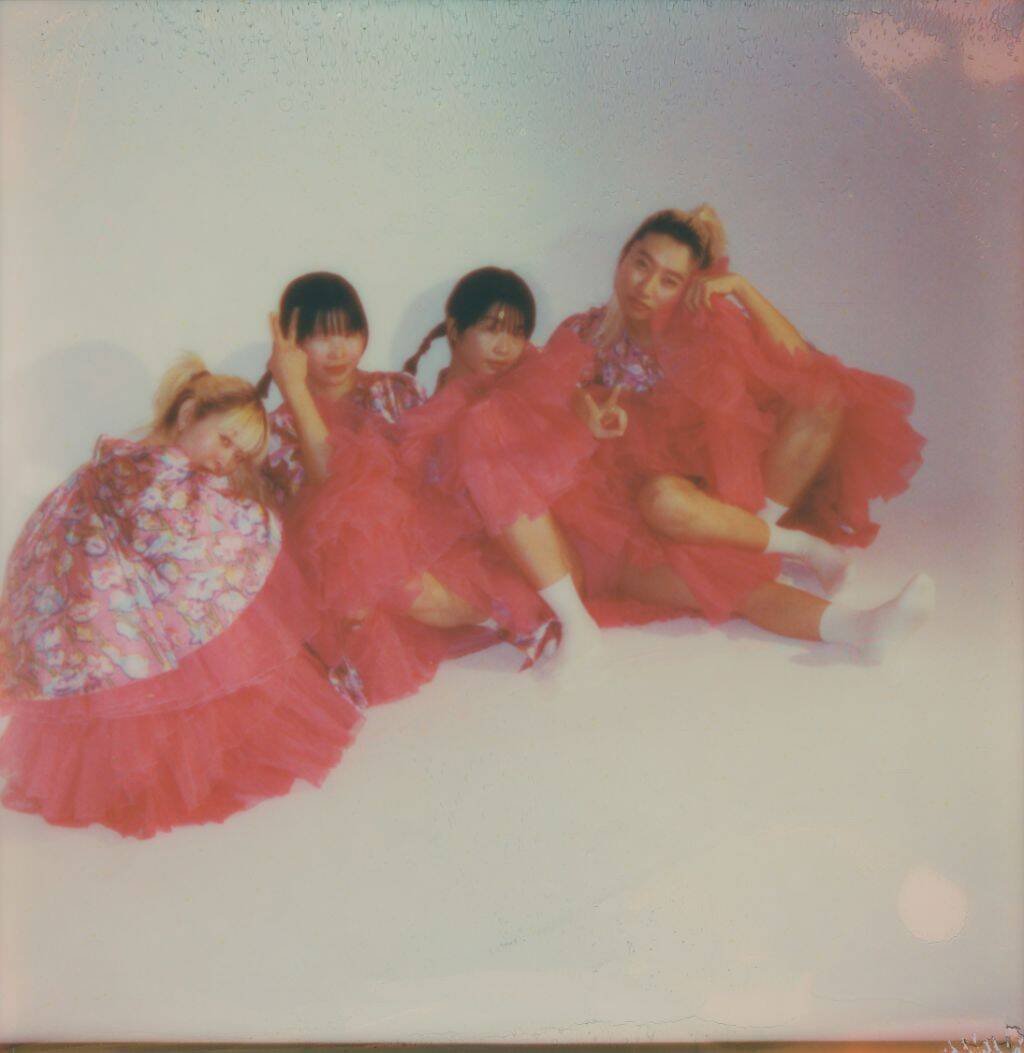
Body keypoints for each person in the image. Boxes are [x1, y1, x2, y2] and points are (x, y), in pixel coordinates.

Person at [405, 268, 934, 666]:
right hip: (550, 554)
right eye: (491, 329)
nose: (505, 346)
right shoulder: (426, 411)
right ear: (454, 329)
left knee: (723, 582)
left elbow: (579, 403)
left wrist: (589, 416)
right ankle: (577, 626)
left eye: (516, 332)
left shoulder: (536, 370)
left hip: (609, 532)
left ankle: (862, 628)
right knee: (481, 433)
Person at [0, 356, 363, 839]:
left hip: (129, 607)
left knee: (216, 584)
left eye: (239, 456)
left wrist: (244, 522)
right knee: (157, 635)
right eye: (225, 440)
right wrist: (245, 524)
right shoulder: (141, 469)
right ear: (190, 413)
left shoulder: (177, 478)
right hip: (101, 604)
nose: (226, 460)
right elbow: (158, 531)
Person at [261, 272, 553, 705]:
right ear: (293, 345)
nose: (339, 350)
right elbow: (331, 484)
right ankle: (502, 615)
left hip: (424, 539)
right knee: (359, 561)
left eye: (349, 332)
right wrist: (294, 390)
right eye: (320, 337)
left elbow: (435, 469)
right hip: (350, 570)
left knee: (387, 570)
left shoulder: (394, 390)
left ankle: (510, 615)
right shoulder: (280, 429)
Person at [572, 205, 925, 549]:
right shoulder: (587, 332)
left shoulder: (702, 323)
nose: (646, 287)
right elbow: (551, 399)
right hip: (664, 502)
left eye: (669, 281)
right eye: (641, 264)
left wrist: (742, 288)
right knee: (664, 501)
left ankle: (759, 536)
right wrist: (585, 411)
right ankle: (782, 545)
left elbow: (804, 363)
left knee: (825, 394)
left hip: (747, 490)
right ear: (623, 257)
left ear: (688, 288)